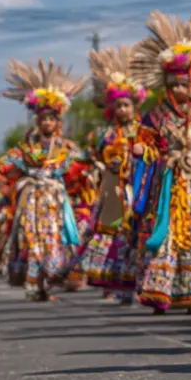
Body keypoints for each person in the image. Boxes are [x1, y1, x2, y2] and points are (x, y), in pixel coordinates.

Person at [130, 13, 191, 314]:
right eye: (178, 84)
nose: (183, 90)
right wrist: (146, 150)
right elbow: (142, 145)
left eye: (188, 83)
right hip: (169, 184)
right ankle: (160, 292)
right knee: (166, 233)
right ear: (168, 84)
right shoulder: (155, 115)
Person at [0, 60, 89, 301]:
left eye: (51, 118)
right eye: (43, 118)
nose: (47, 122)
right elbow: (5, 166)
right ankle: (35, 284)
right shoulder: (27, 146)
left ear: (58, 121)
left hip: (55, 199)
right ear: (37, 120)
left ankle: (48, 282)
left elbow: (81, 168)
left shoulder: (66, 148)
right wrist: (14, 170)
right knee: (31, 236)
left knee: (55, 237)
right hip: (32, 199)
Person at [75, 44, 158, 303]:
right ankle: (111, 284)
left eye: (127, 104)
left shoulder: (145, 131)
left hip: (137, 190)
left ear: (135, 105)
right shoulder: (105, 135)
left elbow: (154, 154)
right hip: (112, 193)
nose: (123, 110)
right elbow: (92, 157)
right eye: (118, 105)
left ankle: (135, 283)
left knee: (134, 235)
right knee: (111, 237)